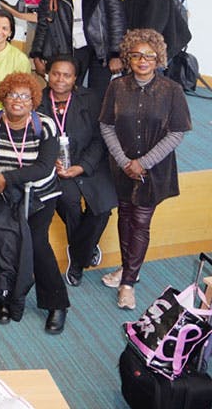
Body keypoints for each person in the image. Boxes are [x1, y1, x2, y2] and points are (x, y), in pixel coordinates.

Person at [99, 29, 191, 310]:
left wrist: (143, 163)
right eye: (136, 55)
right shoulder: (116, 87)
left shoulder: (171, 90)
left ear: (158, 58)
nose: (142, 60)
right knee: (125, 216)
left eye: (149, 56)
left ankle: (127, 282)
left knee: (140, 222)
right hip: (122, 168)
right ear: (128, 57)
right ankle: (130, 269)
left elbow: (176, 133)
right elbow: (106, 125)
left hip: (153, 172)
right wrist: (125, 161)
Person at [0, 72, 68, 333]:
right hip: (4, 195)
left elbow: (45, 167)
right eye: (12, 95)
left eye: (25, 96)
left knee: (36, 244)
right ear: (4, 98)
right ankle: (1, 297)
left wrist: (7, 177)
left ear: (34, 100)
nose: (18, 101)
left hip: (39, 196)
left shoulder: (44, 126)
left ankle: (57, 304)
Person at [36, 56, 116, 287]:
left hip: (89, 163)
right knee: (69, 202)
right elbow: (31, 139)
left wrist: (82, 167)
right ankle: (82, 258)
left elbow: (100, 138)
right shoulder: (37, 100)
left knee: (101, 207)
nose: (60, 79)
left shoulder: (91, 99)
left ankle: (79, 251)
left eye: (67, 75)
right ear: (48, 74)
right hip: (55, 168)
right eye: (56, 73)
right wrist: (51, 163)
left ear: (75, 79)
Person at [31, 0, 125, 102]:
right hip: (68, 47)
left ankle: (94, 129)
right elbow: (44, 19)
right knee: (68, 94)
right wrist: (37, 53)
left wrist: (116, 53)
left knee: (98, 99)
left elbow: (115, 14)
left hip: (100, 47)